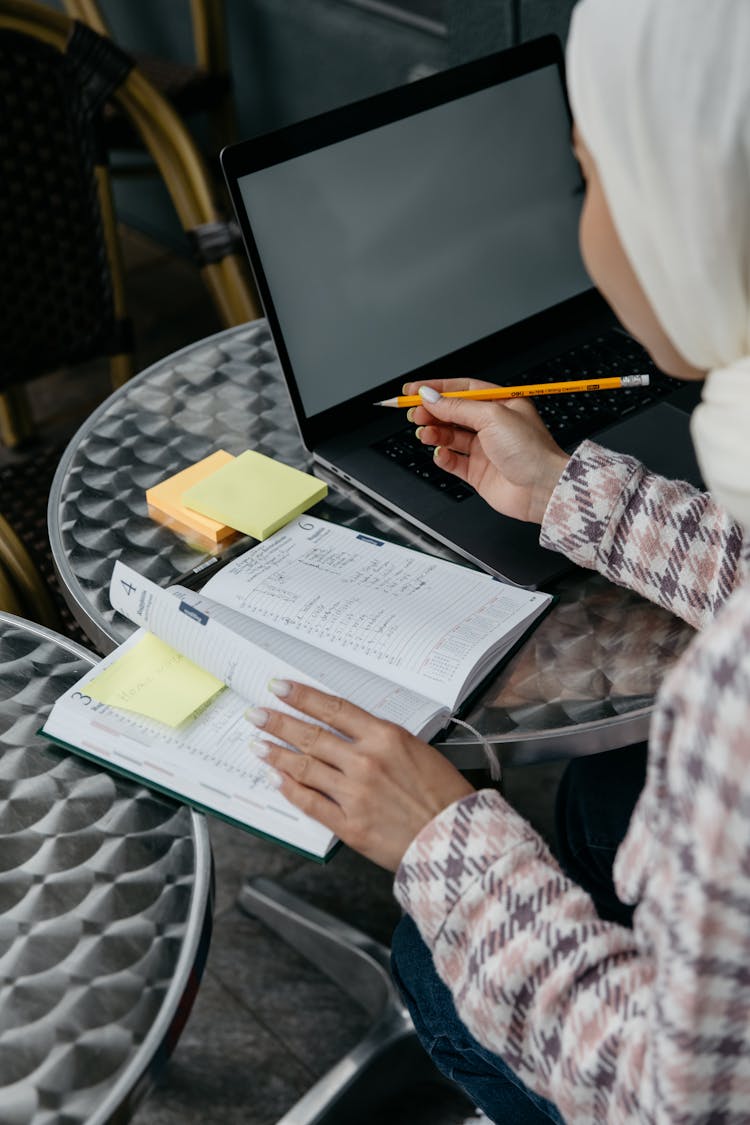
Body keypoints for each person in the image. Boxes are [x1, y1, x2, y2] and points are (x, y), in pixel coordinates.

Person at [246, 0, 750, 1119]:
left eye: (592, 179)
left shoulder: (733, 699)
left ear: (694, 198)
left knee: (433, 961)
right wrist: (565, 493)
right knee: (602, 788)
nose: (586, 230)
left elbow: (675, 1103)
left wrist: (443, 838)